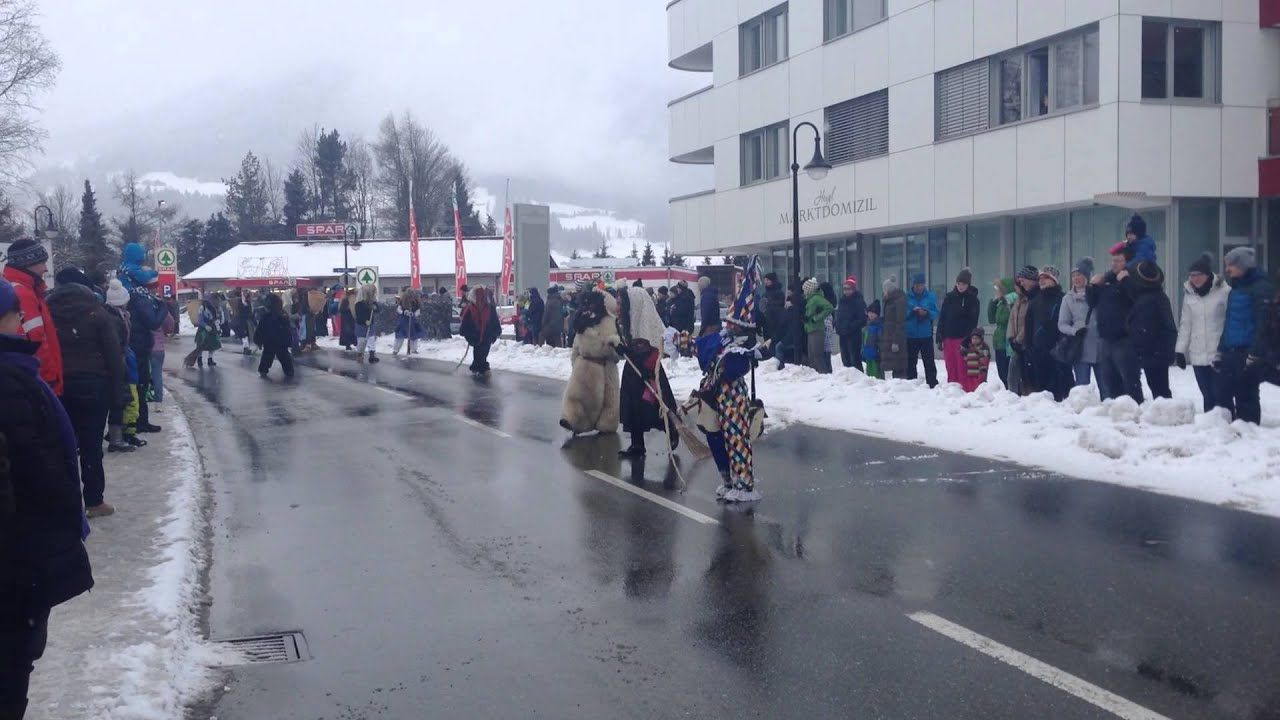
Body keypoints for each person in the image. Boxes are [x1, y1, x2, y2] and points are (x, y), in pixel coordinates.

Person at [0, 277, 94, 720]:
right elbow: (33, 466)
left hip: (22, 552)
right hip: (20, 557)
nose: (24, 321)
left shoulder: (16, 373)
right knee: (14, 661)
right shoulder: (10, 381)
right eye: (17, 314)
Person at [45, 268, 127, 517]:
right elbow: (114, 356)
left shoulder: (46, 311)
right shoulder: (97, 313)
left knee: (62, 445)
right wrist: (119, 394)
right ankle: (93, 501)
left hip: (59, 385)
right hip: (94, 385)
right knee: (91, 446)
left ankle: (65, 502)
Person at [693, 264, 770, 503]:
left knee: (736, 437)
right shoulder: (721, 342)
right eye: (729, 323)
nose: (729, 327)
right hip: (718, 396)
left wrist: (739, 353)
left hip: (733, 396)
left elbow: (732, 367)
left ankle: (744, 484)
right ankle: (728, 479)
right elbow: (705, 356)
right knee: (716, 436)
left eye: (733, 325)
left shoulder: (740, 350)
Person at [617, 287, 679, 457]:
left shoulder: (649, 322)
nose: (620, 305)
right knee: (632, 407)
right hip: (633, 369)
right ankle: (637, 444)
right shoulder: (630, 319)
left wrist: (648, 369)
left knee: (653, 407)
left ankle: (672, 430)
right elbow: (631, 347)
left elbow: (656, 348)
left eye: (623, 302)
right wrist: (623, 349)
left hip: (649, 370)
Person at [1217, 247, 1274, 424]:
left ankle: (1248, 432)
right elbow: (1229, 321)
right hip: (1231, 351)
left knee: (1246, 396)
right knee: (1224, 393)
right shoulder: (1236, 287)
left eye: (1230, 265)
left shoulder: (1261, 288)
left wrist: (1255, 352)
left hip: (1247, 352)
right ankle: (1233, 433)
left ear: (1242, 265)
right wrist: (1221, 348)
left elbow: (1263, 324)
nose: (1227, 269)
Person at [2, 238, 62, 396]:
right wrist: (49, 379)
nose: (45, 269)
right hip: (39, 382)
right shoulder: (23, 294)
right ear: (28, 263)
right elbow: (35, 341)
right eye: (42, 262)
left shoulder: (23, 289)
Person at [560, 290, 622, 435]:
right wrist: (575, 362)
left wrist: (612, 347)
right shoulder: (582, 322)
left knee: (609, 399)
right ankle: (573, 419)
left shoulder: (610, 322)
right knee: (577, 396)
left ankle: (606, 423)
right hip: (584, 364)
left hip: (605, 366)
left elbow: (616, 349)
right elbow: (576, 344)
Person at [1175, 253, 1230, 412]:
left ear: (1207, 275)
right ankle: (1209, 429)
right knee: (1207, 395)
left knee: (1221, 395)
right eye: (1191, 275)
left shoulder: (1224, 292)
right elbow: (1186, 324)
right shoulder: (1189, 294)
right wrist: (1180, 350)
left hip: (1218, 353)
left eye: (1198, 275)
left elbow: (1230, 321)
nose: (1194, 279)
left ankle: (1227, 426)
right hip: (1198, 353)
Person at [1090, 250, 1142, 403]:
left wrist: (1126, 281)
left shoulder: (1133, 279)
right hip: (1106, 338)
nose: (1114, 264)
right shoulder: (1107, 281)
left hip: (1125, 339)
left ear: (1127, 263)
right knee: (1110, 380)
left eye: (1119, 260)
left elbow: (1137, 299)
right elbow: (1092, 303)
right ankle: (1116, 410)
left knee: (1129, 380)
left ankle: (1135, 408)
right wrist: (1093, 286)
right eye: (1113, 260)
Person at [1126, 261, 1177, 400]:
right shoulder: (1148, 297)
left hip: (1155, 352)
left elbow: (1166, 327)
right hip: (1151, 351)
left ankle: (1165, 414)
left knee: (1160, 389)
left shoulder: (1155, 298)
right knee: (1157, 387)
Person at [125, 281, 165, 433]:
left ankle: (139, 420)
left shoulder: (133, 298)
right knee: (141, 385)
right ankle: (140, 422)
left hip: (137, 346)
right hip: (139, 347)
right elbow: (153, 323)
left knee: (140, 385)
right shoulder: (142, 299)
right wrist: (162, 308)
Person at [1027, 266, 1071, 402]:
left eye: (1045, 277)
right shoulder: (1034, 301)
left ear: (1054, 279)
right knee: (1043, 388)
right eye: (1040, 278)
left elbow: (1066, 323)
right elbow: (1029, 325)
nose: (1041, 280)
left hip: (1058, 349)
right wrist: (1029, 346)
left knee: (1062, 385)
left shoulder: (1063, 298)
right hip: (1038, 349)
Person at [102, 280, 136, 455]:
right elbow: (115, 344)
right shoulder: (116, 319)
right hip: (115, 363)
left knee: (118, 398)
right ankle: (116, 439)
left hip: (114, 361)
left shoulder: (113, 315)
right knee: (118, 399)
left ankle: (115, 436)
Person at [1057, 257, 1099, 388]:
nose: (1076, 278)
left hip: (1101, 348)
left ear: (1087, 276)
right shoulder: (1067, 299)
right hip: (1080, 348)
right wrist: (1075, 331)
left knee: (1107, 389)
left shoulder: (1099, 294)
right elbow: (1062, 324)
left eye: (1079, 275)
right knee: (1082, 389)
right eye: (1073, 275)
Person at [936, 268, 980, 386]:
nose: (960, 286)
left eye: (963, 284)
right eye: (958, 284)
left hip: (963, 338)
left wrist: (969, 339)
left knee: (963, 367)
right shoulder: (949, 298)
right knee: (951, 366)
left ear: (968, 284)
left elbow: (973, 322)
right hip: (949, 337)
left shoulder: (973, 300)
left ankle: (965, 390)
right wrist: (939, 335)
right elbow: (943, 317)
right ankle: (952, 390)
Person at [1006, 266, 1039, 396]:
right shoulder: (1019, 299)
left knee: (1028, 376)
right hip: (1016, 343)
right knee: (1012, 375)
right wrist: (1011, 338)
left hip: (1027, 343)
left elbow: (1028, 322)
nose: (1020, 283)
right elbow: (1012, 319)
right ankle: (1011, 397)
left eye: (1023, 279)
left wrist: (1019, 340)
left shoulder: (1033, 299)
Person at [904, 273, 939, 387]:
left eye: (921, 285)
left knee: (929, 361)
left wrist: (926, 313)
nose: (919, 287)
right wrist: (912, 311)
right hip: (911, 335)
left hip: (925, 334)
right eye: (917, 285)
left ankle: (932, 383)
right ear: (913, 285)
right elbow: (901, 314)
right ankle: (911, 383)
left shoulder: (930, 296)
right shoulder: (906, 297)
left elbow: (935, 313)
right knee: (911, 362)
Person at [460, 287, 501, 375]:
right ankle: (480, 365)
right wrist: (497, 330)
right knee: (482, 350)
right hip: (483, 333)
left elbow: (465, 320)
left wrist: (465, 331)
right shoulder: (486, 308)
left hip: (479, 333)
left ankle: (479, 365)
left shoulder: (474, 308)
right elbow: (494, 320)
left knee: (479, 350)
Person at [253, 293, 295, 378]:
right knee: (284, 357)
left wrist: (258, 341)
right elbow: (287, 330)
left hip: (269, 342)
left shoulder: (265, 317)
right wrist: (289, 341)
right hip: (281, 342)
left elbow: (260, 330)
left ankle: (263, 370)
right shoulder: (282, 315)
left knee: (267, 356)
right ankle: (289, 371)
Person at [802, 278, 834, 374]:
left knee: (817, 355)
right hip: (811, 329)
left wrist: (816, 318)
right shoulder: (810, 299)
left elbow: (829, 307)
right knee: (812, 355)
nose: (804, 291)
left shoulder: (816, 298)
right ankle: (816, 375)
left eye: (805, 289)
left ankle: (822, 374)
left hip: (817, 329)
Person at [836, 277, 868, 371]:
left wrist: (850, 326)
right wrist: (837, 325)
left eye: (848, 289)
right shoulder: (842, 301)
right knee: (845, 359)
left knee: (854, 358)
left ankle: (858, 379)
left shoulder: (858, 301)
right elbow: (840, 316)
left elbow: (862, 319)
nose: (846, 291)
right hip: (842, 333)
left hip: (853, 334)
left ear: (853, 289)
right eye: (844, 289)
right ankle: (848, 377)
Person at [988, 279, 1015, 387]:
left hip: (1007, 342)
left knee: (1007, 373)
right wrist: (993, 302)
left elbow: (1006, 319)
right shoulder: (1000, 303)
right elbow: (991, 319)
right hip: (999, 341)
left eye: (998, 288)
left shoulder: (1011, 302)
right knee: (1001, 373)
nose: (996, 291)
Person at [880, 277, 909, 379]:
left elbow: (900, 321)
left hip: (896, 337)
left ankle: (901, 384)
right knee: (894, 365)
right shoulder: (889, 301)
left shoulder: (898, 301)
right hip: (890, 335)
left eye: (884, 289)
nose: (883, 292)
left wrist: (896, 340)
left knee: (899, 365)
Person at [185, 296, 222, 368]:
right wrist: (205, 326)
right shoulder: (202, 308)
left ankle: (210, 359)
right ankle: (199, 359)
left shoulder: (215, 308)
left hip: (212, 328)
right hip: (203, 329)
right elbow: (200, 320)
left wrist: (217, 323)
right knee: (201, 346)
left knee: (213, 345)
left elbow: (217, 317)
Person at [150, 309, 174, 406]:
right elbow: (170, 326)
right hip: (159, 348)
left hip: (145, 347)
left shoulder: (142, 308)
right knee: (157, 375)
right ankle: (158, 402)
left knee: (144, 374)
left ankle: (144, 397)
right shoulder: (161, 310)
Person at [354, 284, 381, 363]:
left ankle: (372, 355)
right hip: (362, 325)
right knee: (362, 341)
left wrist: (375, 305)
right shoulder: (359, 304)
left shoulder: (372, 302)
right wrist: (365, 321)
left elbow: (378, 310)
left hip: (371, 324)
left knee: (371, 339)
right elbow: (359, 315)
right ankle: (360, 354)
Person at [392, 289, 424, 356]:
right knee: (400, 336)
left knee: (414, 335)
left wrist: (414, 314)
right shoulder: (402, 301)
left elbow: (418, 310)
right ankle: (396, 349)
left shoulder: (416, 302)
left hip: (412, 320)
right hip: (403, 320)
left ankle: (413, 349)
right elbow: (398, 309)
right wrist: (404, 312)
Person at [960, 327, 992, 393]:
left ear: (981, 339)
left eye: (976, 338)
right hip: (970, 373)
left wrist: (983, 372)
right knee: (969, 389)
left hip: (978, 374)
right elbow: (966, 358)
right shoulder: (970, 347)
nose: (974, 340)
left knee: (977, 389)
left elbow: (984, 361)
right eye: (973, 338)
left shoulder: (983, 349)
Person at [762, 272, 787, 351]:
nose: (765, 282)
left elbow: (780, 307)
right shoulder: (765, 293)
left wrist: (770, 305)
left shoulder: (778, 293)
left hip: (776, 324)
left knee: (774, 346)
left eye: (767, 280)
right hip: (766, 324)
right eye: (765, 280)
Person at [861, 300, 884, 379]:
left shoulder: (879, 326)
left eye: (873, 313)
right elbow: (864, 340)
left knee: (877, 373)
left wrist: (879, 352)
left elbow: (881, 341)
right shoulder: (867, 326)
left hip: (876, 354)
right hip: (868, 353)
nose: (870, 314)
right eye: (869, 312)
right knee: (869, 372)